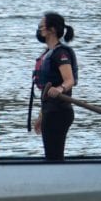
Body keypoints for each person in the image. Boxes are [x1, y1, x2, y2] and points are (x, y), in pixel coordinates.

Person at [32, 11, 78, 161]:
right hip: (49, 111)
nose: (39, 29)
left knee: (54, 157)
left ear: (51, 29)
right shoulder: (48, 53)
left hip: (59, 112)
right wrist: (42, 114)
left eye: (41, 26)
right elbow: (46, 90)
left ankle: (60, 180)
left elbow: (70, 80)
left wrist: (59, 89)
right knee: (51, 156)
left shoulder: (60, 53)